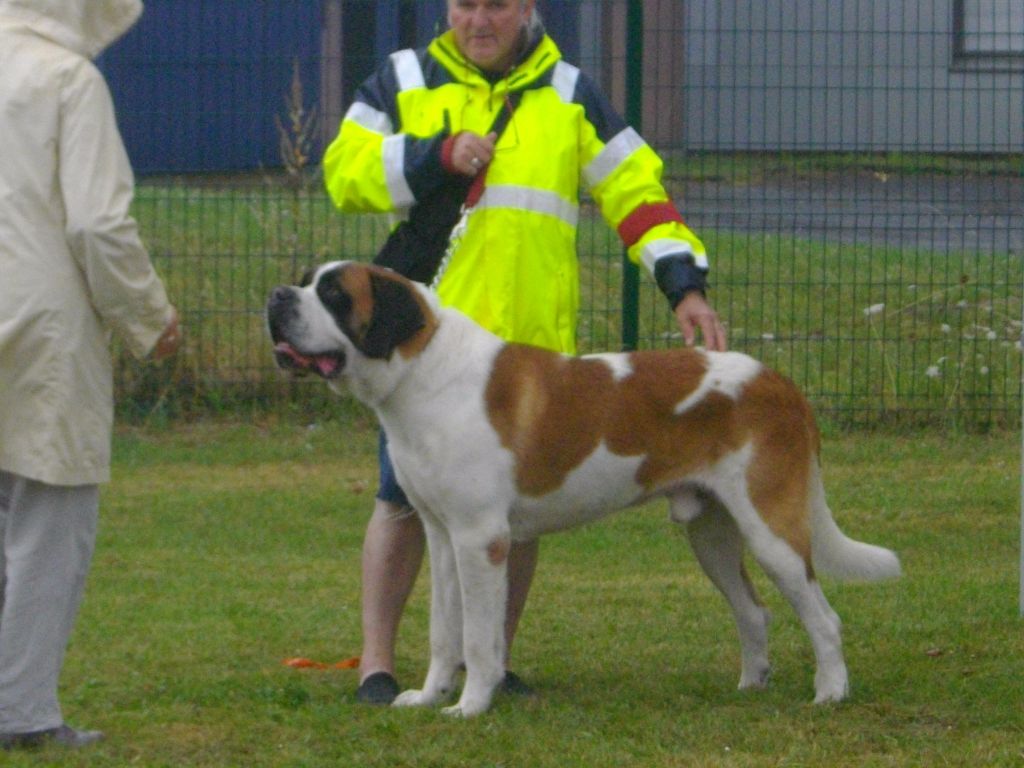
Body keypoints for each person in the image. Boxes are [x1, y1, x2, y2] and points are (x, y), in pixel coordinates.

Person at [322, 0, 727, 705]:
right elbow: (342, 172)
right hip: (424, 358)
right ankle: (378, 669)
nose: (479, 20)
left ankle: (490, 665)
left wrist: (682, 282)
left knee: (513, 515)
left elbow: (634, 188)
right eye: (465, 4)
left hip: (533, 351)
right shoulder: (404, 77)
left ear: (528, 9)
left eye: (497, 5)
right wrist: (433, 155)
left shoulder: (570, 91)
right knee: (398, 502)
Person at [0, 0, 181, 750]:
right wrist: (149, 316)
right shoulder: (69, 80)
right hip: (45, 320)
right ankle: (24, 714)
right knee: (51, 514)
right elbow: (97, 224)